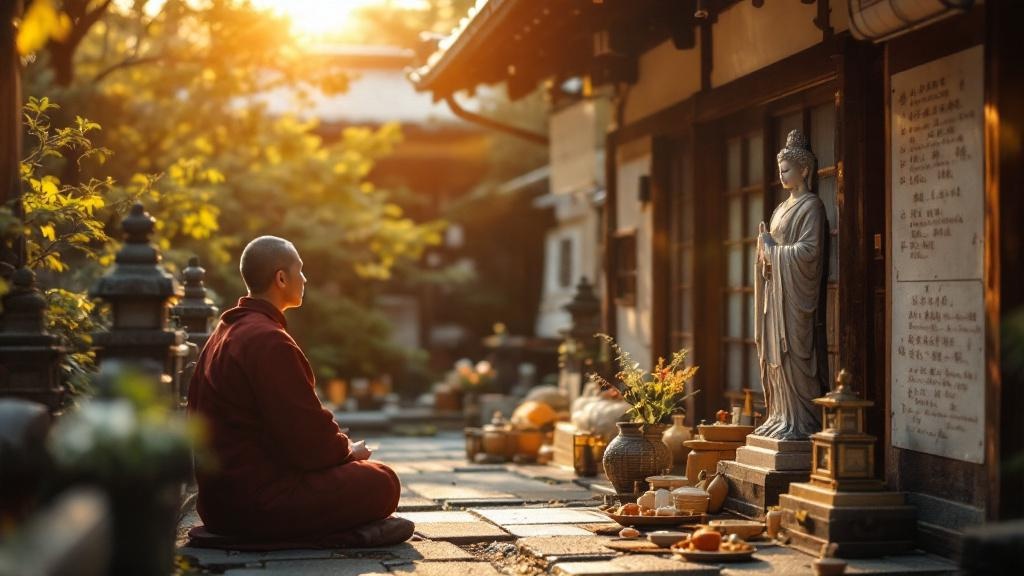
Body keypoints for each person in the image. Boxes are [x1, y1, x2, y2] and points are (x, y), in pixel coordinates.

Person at [187, 236, 404, 540]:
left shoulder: (222, 334)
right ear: (281, 278)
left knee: (368, 478)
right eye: (300, 270)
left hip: (216, 504)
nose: (304, 278)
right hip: (255, 503)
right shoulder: (267, 339)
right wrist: (346, 451)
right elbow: (307, 440)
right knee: (383, 481)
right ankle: (337, 534)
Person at [753, 130, 829, 440]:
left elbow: (809, 251)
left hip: (795, 296)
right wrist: (762, 249)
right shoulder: (779, 209)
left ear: (805, 170)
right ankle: (779, 415)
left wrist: (773, 250)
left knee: (795, 353)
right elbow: (768, 249)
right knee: (774, 356)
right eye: (780, 170)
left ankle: (800, 421)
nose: (782, 175)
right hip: (776, 292)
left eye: (787, 170)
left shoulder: (811, 206)